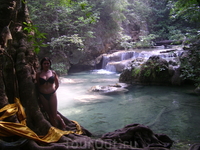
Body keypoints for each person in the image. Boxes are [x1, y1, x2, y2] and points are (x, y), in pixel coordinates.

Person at [36, 57, 66, 129]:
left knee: (54, 114)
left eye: (48, 63)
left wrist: (53, 90)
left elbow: (57, 84)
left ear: (50, 64)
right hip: (42, 95)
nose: (46, 65)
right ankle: (55, 129)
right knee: (49, 114)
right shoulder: (38, 74)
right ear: (42, 64)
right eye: (44, 63)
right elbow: (37, 85)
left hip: (52, 94)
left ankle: (61, 121)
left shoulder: (53, 73)